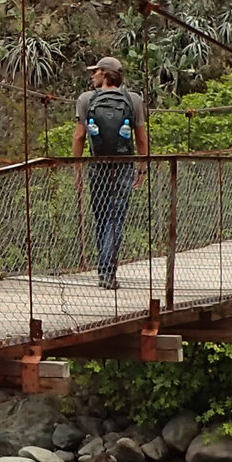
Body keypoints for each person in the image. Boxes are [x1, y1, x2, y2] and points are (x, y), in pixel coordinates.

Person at [78, 55, 149, 289]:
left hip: (98, 165)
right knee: (116, 218)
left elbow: (79, 136)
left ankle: (103, 270)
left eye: (96, 71)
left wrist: (76, 167)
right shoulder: (134, 99)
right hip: (124, 164)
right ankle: (108, 271)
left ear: (106, 74)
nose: (92, 75)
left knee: (100, 218)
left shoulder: (86, 99)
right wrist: (143, 165)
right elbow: (140, 137)